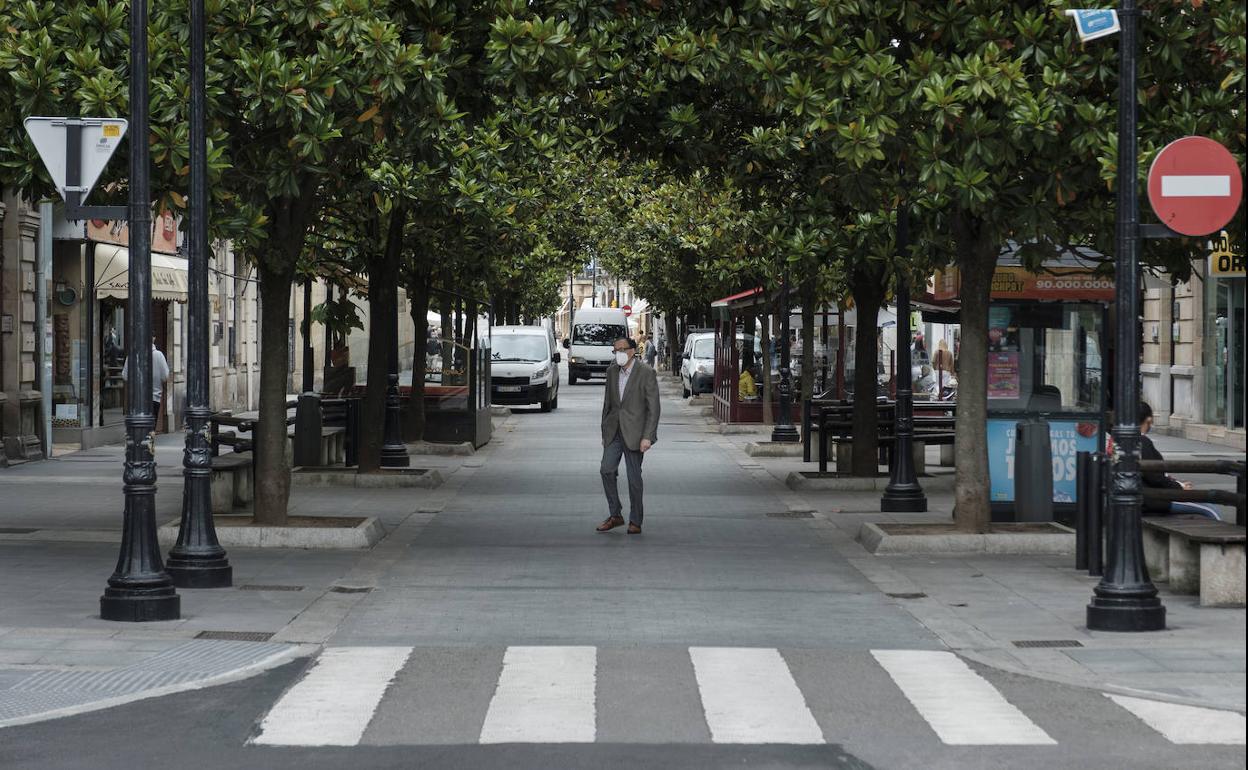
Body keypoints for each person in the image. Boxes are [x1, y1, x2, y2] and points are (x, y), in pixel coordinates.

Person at [597, 337, 661, 535]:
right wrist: (604, 431)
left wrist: (648, 436)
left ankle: (635, 520)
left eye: (622, 350)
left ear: (632, 351)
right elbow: (608, 403)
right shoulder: (611, 372)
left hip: (635, 433)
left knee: (634, 478)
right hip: (614, 431)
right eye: (615, 350)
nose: (619, 354)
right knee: (606, 470)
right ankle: (615, 514)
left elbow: (653, 408)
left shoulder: (646, 372)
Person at [1139, 401, 1222, 520]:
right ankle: (1226, 538)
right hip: (1154, 501)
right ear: (1148, 420)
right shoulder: (1142, 442)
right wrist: (1179, 488)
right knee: (1210, 509)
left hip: (1147, 498)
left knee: (1207, 506)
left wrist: (1179, 484)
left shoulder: (1122, 440)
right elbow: (1155, 478)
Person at [121, 342, 171, 418]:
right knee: (151, 427)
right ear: (153, 339)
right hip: (154, 399)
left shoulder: (132, 356)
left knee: (137, 427)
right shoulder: (159, 355)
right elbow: (165, 377)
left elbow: (125, 376)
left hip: (136, 400)